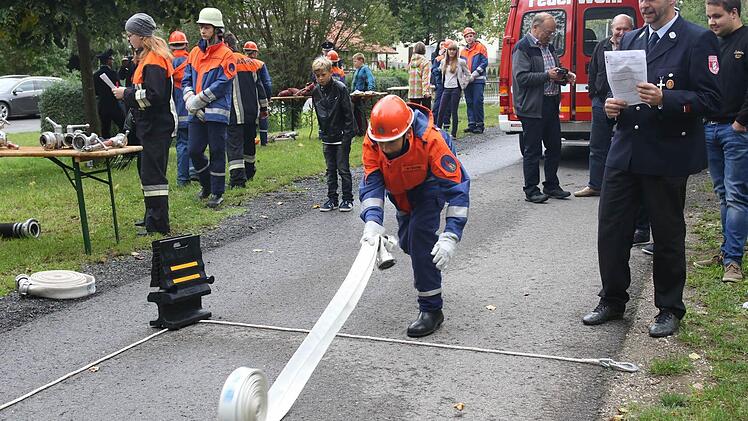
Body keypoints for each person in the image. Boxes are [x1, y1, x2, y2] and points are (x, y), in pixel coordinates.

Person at [582, 0, 721, 338]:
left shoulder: (696, 39)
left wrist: (665, 100)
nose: (645, 4)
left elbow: (712, 100)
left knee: (667, 234)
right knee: (612, 229)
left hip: (667, 153)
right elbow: (625, 92)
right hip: (626, 149)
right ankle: (613, 299)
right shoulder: (631, 39)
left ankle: (669, 308)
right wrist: (616, 106)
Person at [359, 95, 470, 337]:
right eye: (382, 143)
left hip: (430, 184)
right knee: (410, 243)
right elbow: (372, 183)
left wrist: (451, 236)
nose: (385, 149)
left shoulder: (431, 141)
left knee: (420, 239)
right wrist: (372, 222)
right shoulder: (374, 140)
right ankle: (427, 253)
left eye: (391, 143)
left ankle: (432, 310)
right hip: (400, 193)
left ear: (408, 133)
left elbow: (458, 190)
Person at [693, 0, 748, 283]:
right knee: (723, 195)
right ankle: (727, 251)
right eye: (708, 17)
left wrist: (741, 122)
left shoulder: (746, 40)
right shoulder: (711, 44)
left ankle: (733, 262)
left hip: (736, 130)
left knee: (737, 196)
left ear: (734, 13)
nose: (711, 22)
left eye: (717, 16)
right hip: (710, 129)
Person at [112, 13, 175, 236]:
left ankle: (158, 224)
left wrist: (125, 93)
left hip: (156, 125)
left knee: (154, 176)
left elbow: (155, 95)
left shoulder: (155, 60)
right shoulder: (146, 58)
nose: (129, 39)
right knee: (146, 174)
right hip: (147, 125)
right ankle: (151, 217)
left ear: (140, 36)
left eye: (130, 35)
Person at [511, 13, 576, 203]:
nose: (551, 35)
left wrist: (564, 76)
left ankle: (551, 186)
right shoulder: (523, 47)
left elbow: (553, 71)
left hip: (550, 103)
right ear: (535, 28)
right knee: (533, 151)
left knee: (554, 147)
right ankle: (531, 190)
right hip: (531, 107)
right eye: (548, 32)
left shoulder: (549, 47)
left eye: (553, 32)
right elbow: (522, 78)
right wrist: (548, 75)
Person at [574, 14, 634, 198]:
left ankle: (626, 188)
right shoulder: (602, 46)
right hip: (601, 103)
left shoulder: (636, 46)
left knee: (629, 145)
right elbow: (592, 71)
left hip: (627, 103)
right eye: (618, 28)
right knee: (597, 146)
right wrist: (594, 96)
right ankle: (595, 185)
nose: (621, 32)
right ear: (612, 29)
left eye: (626, 29)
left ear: (632, 29)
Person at [182, 7, 236, 208]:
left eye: (206, 27)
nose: (202, 30)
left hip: (216, 113)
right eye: (201, 27)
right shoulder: (194, 53)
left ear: (217, 29)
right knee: (194, 151)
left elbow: (223, 84)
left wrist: (198, 101)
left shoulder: (227, 54)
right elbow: (186, 78)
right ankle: (206, 185)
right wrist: (190, 100)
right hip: (196, 111)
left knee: (217, 152)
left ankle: (217, 192)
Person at [311, 56, 356, 212]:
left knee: (343, 168)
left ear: (330, 72)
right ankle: (332, 198)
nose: (320, 78)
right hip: (327, 135)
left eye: (323, 74)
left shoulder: (340, 88)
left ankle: (348, 199)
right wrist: (322, 132)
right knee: (330, 169)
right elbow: (319, 113)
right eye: (317, 76)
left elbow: (349, 114)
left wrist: (347, 136)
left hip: (341, 134)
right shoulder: (316, 91)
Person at [224, 32, 268, 188]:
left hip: (235, 112)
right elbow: (260, 87)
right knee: (249, 143)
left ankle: (237, 180)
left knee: (234, 145)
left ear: (227, 45)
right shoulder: (251, 63)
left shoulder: (227, 62)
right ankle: (249, 172)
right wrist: (263, 108)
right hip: (252, 112)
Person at [168, 30, 192, 187]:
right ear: (186, 44)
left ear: (171, 47)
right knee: (195, 142)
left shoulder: (167, 63)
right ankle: (194, 171)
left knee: (182, 144)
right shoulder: (192, 61)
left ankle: (183, 179)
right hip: (193, 108)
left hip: (176, 112)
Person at [437, 40, 471, 139]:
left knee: (453, 111)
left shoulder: (461, 62)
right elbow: (439, 71)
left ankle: (454, 133)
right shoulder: (443, 61)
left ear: (456, 51)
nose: (452, 52)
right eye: (450, 50)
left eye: (454, 50)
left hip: (456, 89)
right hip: (446, 89)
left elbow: (468, 74)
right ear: (447, 51)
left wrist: (463, 84)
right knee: (441, 110)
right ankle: (437, 131)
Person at [243, 41, 273, 146]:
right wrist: (268, 97)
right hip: (260, 94)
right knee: (263, 116)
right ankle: (264, 142)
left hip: (246, 96)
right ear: (255, 52)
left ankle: (249, 140)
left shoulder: (240, 63)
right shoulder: (260, 64)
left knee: (249, 119)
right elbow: (267, 83)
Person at [460, 27, 489, 134]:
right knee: (469, 102)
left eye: (470, 36)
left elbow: (484, 63)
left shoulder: (481, 47)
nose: (469, 38)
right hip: (467, 81)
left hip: (478, 80)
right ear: (465, 38)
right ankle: (471, 124)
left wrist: (474, 74)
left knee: (477, 101)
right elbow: (461, 66)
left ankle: (479, 125)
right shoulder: (462, 51)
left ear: (474, 36)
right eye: (467, 36)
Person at [93, 49, 126, 138]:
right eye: (111, 59)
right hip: (113, 104)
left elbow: (95, 91)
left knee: (105, 128)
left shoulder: (95, 75)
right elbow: (118, 86)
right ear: (108, 61)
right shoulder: (112, 73)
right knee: (123, 125)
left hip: (102, 105)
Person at [351, 52, 375, 137]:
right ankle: (358, 130)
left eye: (355, 61)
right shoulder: (357, 70)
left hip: (361, 94)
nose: (354, 63)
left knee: (361, 112)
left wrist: (370, 90)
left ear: (361, 60)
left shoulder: (365, 69)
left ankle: (364, 131)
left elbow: (370, 79)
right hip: (355, 94)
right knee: (355, 112)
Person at [407, 42, 431, 109]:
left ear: (414, 50)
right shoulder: (425, 62)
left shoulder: (411, 61)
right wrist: (426, 91)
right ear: (424, 50)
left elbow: (409, 73)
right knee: (425, 114)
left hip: (412, 92)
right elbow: (425, 77)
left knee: (414, 113)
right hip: (423, 92)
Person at [430, 40, 447, 123]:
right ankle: (434, 121)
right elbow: (433, 69)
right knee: (438, 101)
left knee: (447, 104)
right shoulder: (436, 55)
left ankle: (445, 122)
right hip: (438, 81)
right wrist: (440, 55)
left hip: (448, 82)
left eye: (445, 44)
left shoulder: (450, 54)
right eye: (441, 44)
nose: (443, 46)